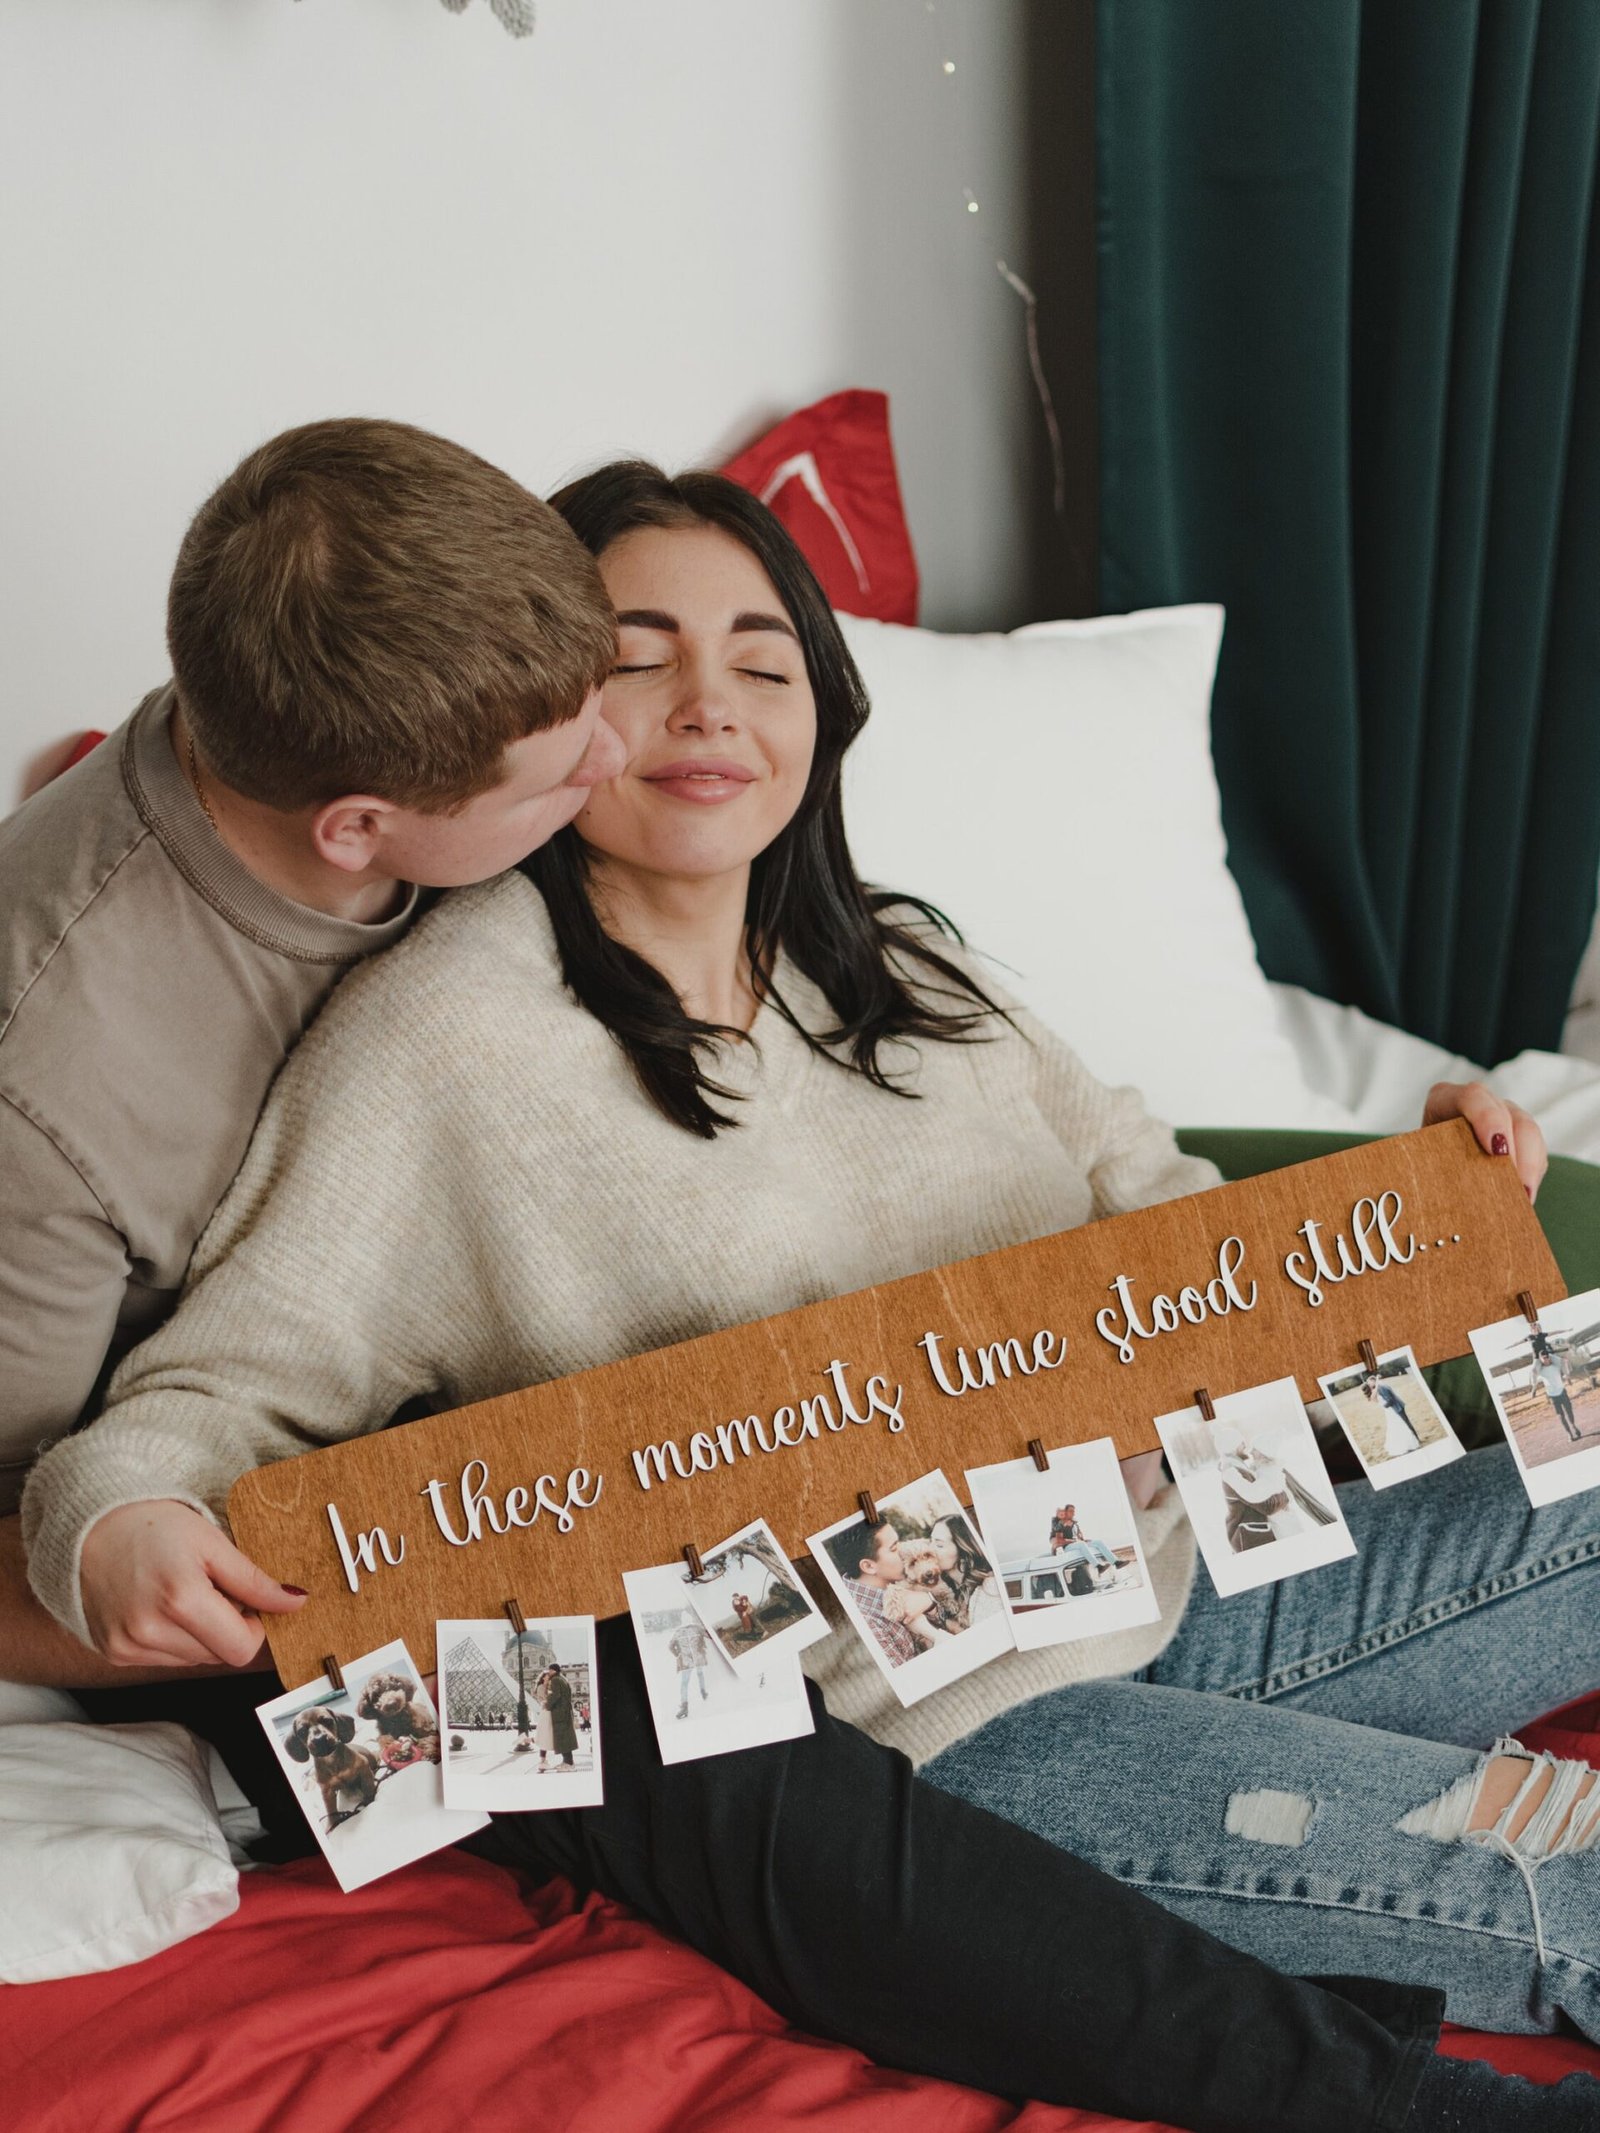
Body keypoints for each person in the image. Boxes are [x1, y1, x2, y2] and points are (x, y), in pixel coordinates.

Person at [19, 463, 1599, 2132]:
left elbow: (1180, 1233)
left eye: (763, 661)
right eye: (641, 660)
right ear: (549, 721)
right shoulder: (443, 1048)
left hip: (1183, 1576)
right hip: (950, 1733)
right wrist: (113, 1523)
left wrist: (1410, 1198)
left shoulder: (916, 967)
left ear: (821, 710)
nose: (710, 705)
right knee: (1562, 1874)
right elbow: (201, 1407)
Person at [0, 415, 623, 1705]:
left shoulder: (341, 712)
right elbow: (20, 1536)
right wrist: (167, 1582)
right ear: (356, 829)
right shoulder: (51, 1087)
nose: (613, 761)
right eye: (559, 779)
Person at [668, 1618, 710, 1719]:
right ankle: (703, 1692)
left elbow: (670, 1646)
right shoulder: (697, 1628)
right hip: (698, 1658)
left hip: (686, 1661)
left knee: (684, 1683)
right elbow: (709, 1635)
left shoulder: (678, 1632)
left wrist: (677, 1654)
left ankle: (684, 1706)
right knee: (700, 1674)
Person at [540, 1662, 578, 1769]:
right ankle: (567, 1761)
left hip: (559, 1713)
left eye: (550, 1670)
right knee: (566, 1738)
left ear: (553, 1670)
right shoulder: (563, 1679)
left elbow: (555, 1695)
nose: (549, 1672)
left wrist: (547, 1705)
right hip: (565, 1712)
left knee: (562, 1738)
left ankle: (568, 1763)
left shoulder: (555, 1680)